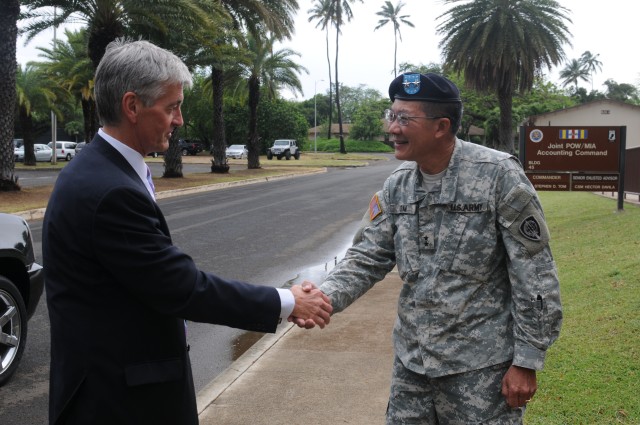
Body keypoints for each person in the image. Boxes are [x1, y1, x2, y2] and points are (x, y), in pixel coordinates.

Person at [42, 39, 332, 425]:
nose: (179, 120)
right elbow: (180, 287)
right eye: (171, 108)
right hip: (119, 403)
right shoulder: (109, 190)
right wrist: (288, 302)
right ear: (132, 106)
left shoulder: (103, 169)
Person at [316, 72, 562, 424]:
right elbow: (366, 257)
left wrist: (527, 360)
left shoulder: (497, 175)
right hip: (412, 366)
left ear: (441, 126)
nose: (392, 128)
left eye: (404, 118)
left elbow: (534, 272)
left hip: (481, 370)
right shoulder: (397, 186)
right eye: (392, 115)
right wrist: (323, 298)